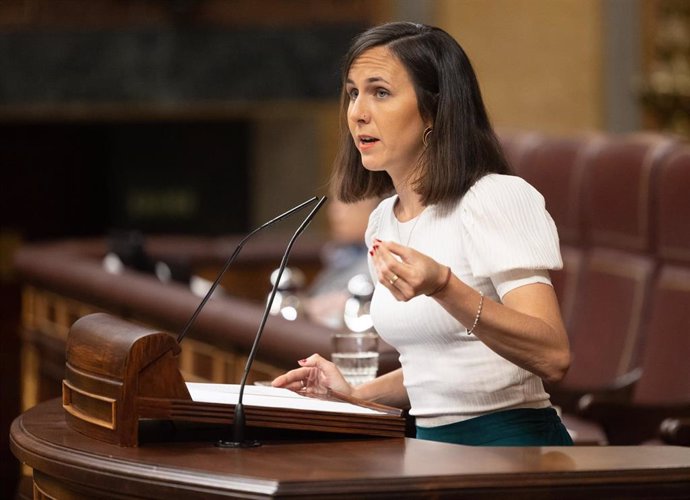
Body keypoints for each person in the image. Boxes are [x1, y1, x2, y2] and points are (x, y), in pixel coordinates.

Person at [272, 22, 572, 446]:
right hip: (428, 451)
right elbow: (441, 369)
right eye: (353, 92)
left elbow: (553, 355)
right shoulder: (383, 220)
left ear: (433, 111)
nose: (357, 112)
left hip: (512, 449)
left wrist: (445, 286)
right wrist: (353, 394)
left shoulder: (494, 198)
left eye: (379, 92)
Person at [302, 197, 379, 328]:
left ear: (376, 211)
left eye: (347, 203)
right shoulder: (340, 254)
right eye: (334, 203)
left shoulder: (379, 263)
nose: (335, 213)